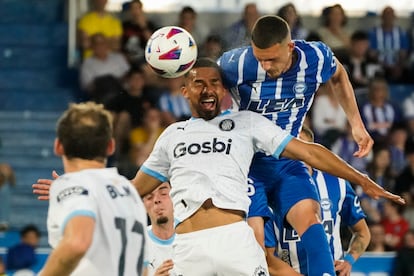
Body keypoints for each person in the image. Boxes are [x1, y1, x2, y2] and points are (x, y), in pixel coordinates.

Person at [34, 58, 403, 275]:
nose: (208, 89)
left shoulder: (248, 123)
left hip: (235, 241)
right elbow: (134, 189)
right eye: (199, 83)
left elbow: (310, 152)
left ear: (224, 91)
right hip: (188, 246)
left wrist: (362, 179)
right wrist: (83, 189)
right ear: (185, 90)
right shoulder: (172, 135)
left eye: (216, 83)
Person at [218, 15, 374, 276]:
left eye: (271, 59)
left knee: (310, 220)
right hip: (247, 164)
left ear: (290, 47)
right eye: (260, 59)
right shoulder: (237, 64)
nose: (265, 66)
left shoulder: (315, 57)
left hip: (286, 159)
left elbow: (338, 75)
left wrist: (356, 124)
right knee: (256, 249)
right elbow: (206, 88)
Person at [38, 102, 148, 276]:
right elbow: (142, 267)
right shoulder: (129, 191)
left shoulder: (73, 184)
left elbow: (78, 242)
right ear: (111, 146)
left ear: (58, 146)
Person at [265, 126, 371, 276]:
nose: (296, 150)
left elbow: (362, 232)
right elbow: (265, 255)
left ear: (312, 150)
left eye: (301, 144)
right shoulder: (268, 189)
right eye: (291, 145)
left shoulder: (338, 184)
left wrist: (349, 261)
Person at [79, 33, 130, 104]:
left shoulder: (118, 57)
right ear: (92, 46)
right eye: (96, 43)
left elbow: (129, 75)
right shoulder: (87, 63)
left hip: (122, 93)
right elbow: (88, 85)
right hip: (102, 96)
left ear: (107, 44)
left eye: (102, 43)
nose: (100, 46)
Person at [142, 182, 175, 276]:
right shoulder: (136, 243)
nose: (156, 200)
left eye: (163, 193)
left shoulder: (190, 237)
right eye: (149, 197)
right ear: (143, 205)